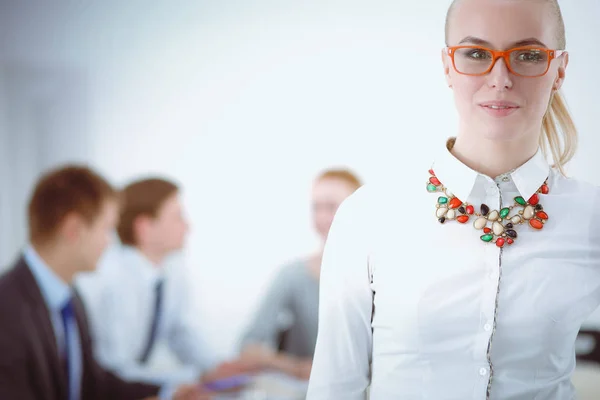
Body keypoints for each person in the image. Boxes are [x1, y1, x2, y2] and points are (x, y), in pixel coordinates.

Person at [307, 1, 600, 399]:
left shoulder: (591, 217)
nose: (500, 78)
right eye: (476, 54)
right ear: (447, 65)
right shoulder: (368, 216)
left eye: (528, 55)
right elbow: (334, 390)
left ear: (560, 68)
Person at [0, 165, 210, 400]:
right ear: (74, 230)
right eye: (106, 229)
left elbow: (92, 382)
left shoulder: (69, 298)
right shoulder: (6, 309)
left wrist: (166, 393)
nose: (110, 243)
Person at [76, 177, 248, 390]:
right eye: (178, 217)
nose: (188, 227)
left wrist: (216, 366)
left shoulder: (171, 269)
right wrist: (192, 379)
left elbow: (179, 330)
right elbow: (117, 370)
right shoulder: (112, 278)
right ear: (144, 228)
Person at [239, 168, 362, 380]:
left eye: (332, 207)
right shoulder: (292, 275)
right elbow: (249, 348)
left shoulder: (380, 277)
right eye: (316, 207)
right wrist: (297, 368)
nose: (322, 217)